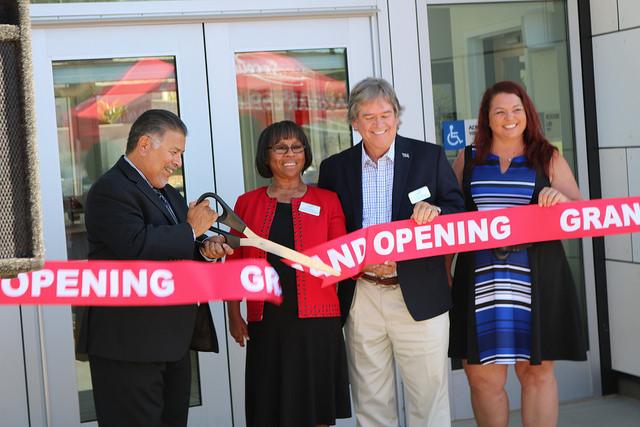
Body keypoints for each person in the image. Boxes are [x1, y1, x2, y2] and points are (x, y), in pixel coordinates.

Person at [318, 77, 465, 427]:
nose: (379, 123)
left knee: (428, 399)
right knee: (371, 401)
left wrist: (438, 212)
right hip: (362, 294)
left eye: (386, 114)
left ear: (397, 117)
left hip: (418, 292)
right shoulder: (334, 169)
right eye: (369, 116)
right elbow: (328, 231)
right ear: (354, 122)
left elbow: (458, 209)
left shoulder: (427, 157)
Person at [79, 109, 233, 427]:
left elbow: (177, 246)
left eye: (180, 154)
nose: (177, 162)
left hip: (171, 343)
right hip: (129, 346)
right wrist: (190, 230)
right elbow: (135, 246)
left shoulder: (166, 192)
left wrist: (204, 249)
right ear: (146, 143)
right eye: (174, 152)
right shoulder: (110, 190)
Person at [448, 81, 587, 427]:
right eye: (500, 111)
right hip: (479, 283)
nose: (509, 118)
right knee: (482, 379)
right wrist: (444, 272)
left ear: (527, 113)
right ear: (487, 118)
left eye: (516, 110)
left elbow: (582, 213)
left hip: (536, 280)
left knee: (536, 373)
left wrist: (562, 201)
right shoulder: (467, 159)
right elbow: (449, 219)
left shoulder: (547, 156)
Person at [226, 120, 351, 427]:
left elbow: (343, 258)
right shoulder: (246, 203)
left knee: (316, 406)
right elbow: (234, 266)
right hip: (267, 321)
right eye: (280, 147)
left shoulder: (327, 200)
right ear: (266, 156)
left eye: (297, 147)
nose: (290, 153)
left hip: (318, 321)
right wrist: (233, 313)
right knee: (270, 406)